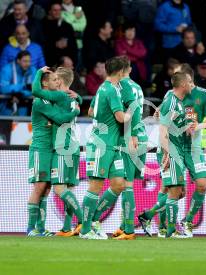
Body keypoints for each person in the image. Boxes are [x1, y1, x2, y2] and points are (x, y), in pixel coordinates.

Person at [138, 64, 206, 238]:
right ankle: (164, 228)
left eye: (179, 74)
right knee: (173, 189)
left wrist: (197, 125)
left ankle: (183, 221)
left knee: (202, 184)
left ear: (188, 79)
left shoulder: (203, 94)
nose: (175, 76)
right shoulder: (172, 96)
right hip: (173, 146)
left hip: (193, 147)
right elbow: (162, 116)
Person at [80, 56, 130, 240]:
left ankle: (92, 221)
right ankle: (85, 230)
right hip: (102, 144)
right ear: (120, 72)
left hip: (112, 144)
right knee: (95, 186)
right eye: (126, 71)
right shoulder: (111, 90)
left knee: (118, 185)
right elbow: (120, 117)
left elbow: (91, 111)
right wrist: (134, 112)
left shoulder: (103, 88)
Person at [26, 68, 80, 237]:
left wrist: (76, 96)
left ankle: (41, 228)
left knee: (47, 189)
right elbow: (61, 118)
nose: (58, 82)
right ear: (45, 83)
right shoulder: (40, 102)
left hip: (52, 149)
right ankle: (30, 228)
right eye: (54, 79)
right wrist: (76, 111)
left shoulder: (54, 100)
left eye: (58, 79)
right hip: (40, 149)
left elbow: (67, 100)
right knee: (39, 187)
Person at [105, 59, 147, 240]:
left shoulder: (120, 86)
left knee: (126, 184)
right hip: (141, 136)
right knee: (126, 183)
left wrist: (132, 134)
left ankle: (129, 229)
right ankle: (124, 226)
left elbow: (133, 112)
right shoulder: (137, 86)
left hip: (130, 137)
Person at [155, 71, 193, 238]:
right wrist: (167, 153)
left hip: (177, 152)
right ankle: (169, 230)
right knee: (174, 191)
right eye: (190, 82)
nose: (192, 85)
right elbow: (162, 132)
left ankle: (151, 219)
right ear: (183, 84)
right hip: (170, 152)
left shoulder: (178, 102)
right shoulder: (171, 102)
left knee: (177, 191)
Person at [0, 50, 36, 115]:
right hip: (6, 107)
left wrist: (20, 94)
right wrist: (24, 86)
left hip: (24, 107)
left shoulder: (33, 70)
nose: (28, 64)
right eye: (25, 61)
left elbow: (35, 89)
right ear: (18, 61)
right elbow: (3, 88)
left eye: (29, 61)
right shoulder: (7, 69)